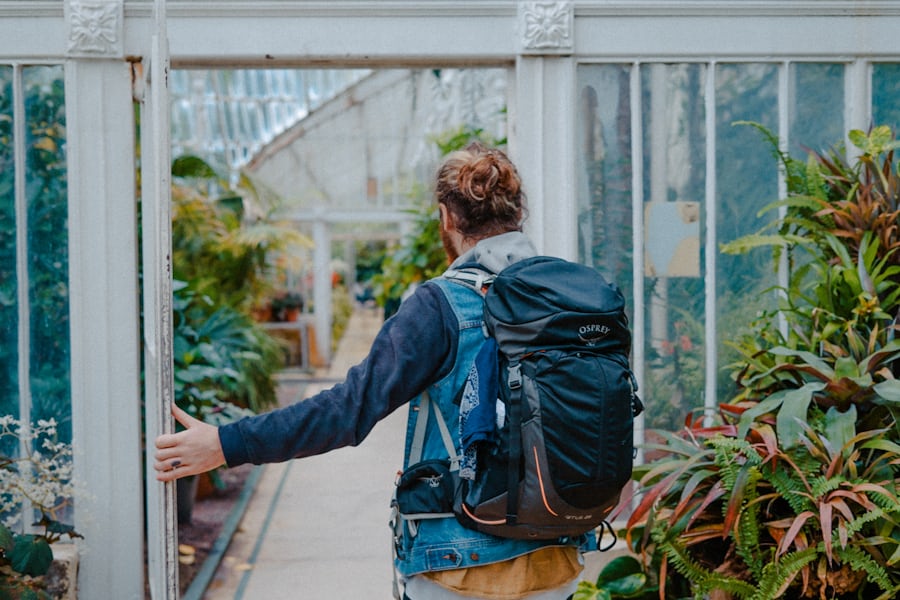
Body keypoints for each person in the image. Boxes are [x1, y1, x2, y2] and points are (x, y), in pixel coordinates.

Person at [154, 142, 586, 599]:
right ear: (519, 214)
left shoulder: (440, 306)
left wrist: (226, 443)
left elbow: (347, 410)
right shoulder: (571, 297)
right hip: (558, 558)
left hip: (460, 568)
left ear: (446, 217)